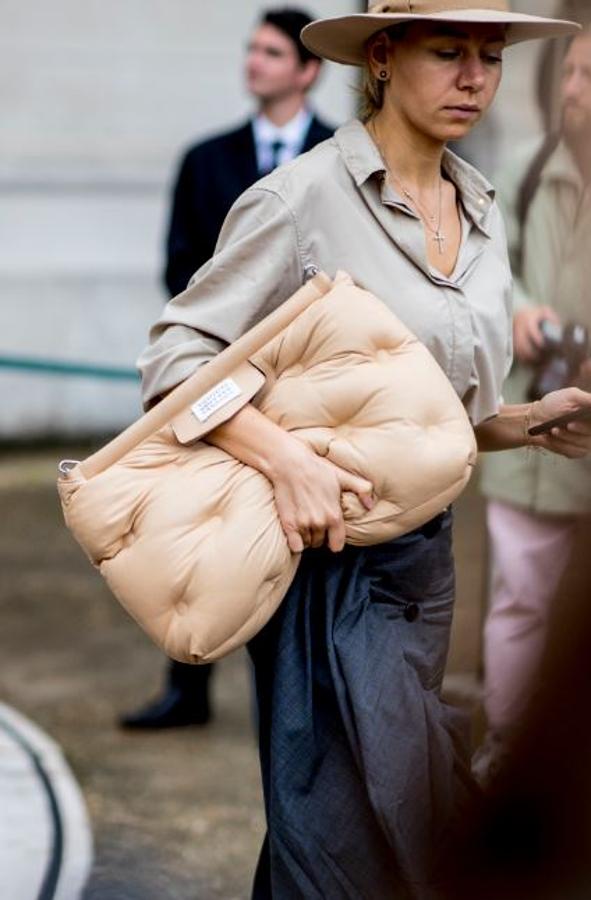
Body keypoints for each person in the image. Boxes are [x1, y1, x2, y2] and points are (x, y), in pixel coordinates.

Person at [138, 2, 588, 896]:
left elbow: (433, 420)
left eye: (490, 57)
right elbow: (174, 358)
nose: (473, 78)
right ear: (381, 56)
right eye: (448, 52)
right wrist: (282, 455)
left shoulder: (483, 207)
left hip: (422, 579)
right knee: (366, 838)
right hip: (320, 574)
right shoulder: (298, 198)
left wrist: (530, 420)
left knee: (354, 835)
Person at [121, 7, 333, 730]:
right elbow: (179, 266)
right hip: (216, 379)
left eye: (271, 53)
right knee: (199, 529)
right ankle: (187, 687)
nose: (254, 63)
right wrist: (228, 351)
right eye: (252, 50)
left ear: (308, 70)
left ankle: (298, 692)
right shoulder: (204, 158)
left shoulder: (341, 156)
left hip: (306, 380)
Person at [476, 24, 591, 784]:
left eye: (588, 77)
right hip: (530, 425)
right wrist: (515, 307)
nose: (572, 92)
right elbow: (489, 267)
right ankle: (506, 750)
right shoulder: (519, 171)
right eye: (568, 74)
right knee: (517, 598)